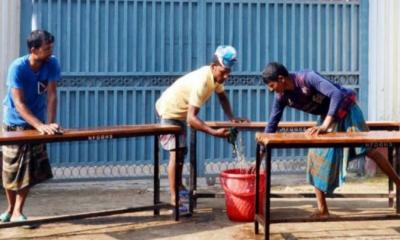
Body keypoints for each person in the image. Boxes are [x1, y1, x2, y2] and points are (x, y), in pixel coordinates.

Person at [262, 62, 400, 218]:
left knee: (370, 150)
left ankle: (398, 183)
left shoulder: (307, 77)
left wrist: (326, 125)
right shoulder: (281, 97)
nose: (271, 90)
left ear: (281, 79)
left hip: (347, 110)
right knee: (315, 156)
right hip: (328, 118)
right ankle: (323, 210)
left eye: (272, 85)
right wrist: (260, 157)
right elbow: (271, 125)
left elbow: (336, 94)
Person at [155, 45, 249, 211]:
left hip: (180, 115)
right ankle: (174, 197)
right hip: (169, 112)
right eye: (223, 71)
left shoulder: (215, 78)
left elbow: (222, 97)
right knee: (176, 154)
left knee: (182, 152)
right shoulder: (202, 81)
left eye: (228, 72)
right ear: (214, 67)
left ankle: (179, 186)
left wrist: (232, 117)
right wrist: (213, 132)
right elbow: (192, 119)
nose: (226, 76)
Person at [0, 30, 61, 222]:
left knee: (29, 170)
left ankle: (18, 210)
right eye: (46, 48)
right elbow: (19, 103)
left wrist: (50, 123)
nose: (50, 51)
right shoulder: (17, 67)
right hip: (14, 123)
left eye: (51, 47)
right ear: (33, 49)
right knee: (10, 169)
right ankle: (10, 209)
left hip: (37, 122)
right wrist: (40, 125)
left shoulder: (52, 63)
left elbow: (51, 95)